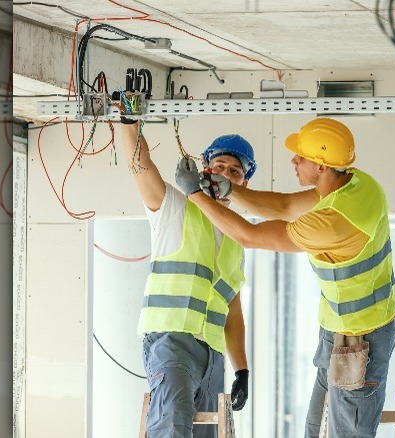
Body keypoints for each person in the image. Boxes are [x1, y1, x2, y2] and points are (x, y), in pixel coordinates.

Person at [174, 117, 395, 438]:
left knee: (346, 433)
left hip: (361, 340)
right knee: (314, 427)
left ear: (321, 166)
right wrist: (231, 191)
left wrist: (195, 193)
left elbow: (250, 235)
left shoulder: (331, 223)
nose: (294, 160)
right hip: (338, 329)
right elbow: (284, 204)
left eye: (302, 157)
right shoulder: (357, 184)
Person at [121, 118, 253, 438]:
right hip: (171, 343)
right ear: (205, 170)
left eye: (234, 171)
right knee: (171, 428)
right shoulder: (175, 208)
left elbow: (231, 310)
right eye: (218, 165)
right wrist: (127, 123)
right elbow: (141, 166)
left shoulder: (237, 237)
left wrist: (242, 370)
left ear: (244, 183)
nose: (224, 173)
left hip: (212, 354)